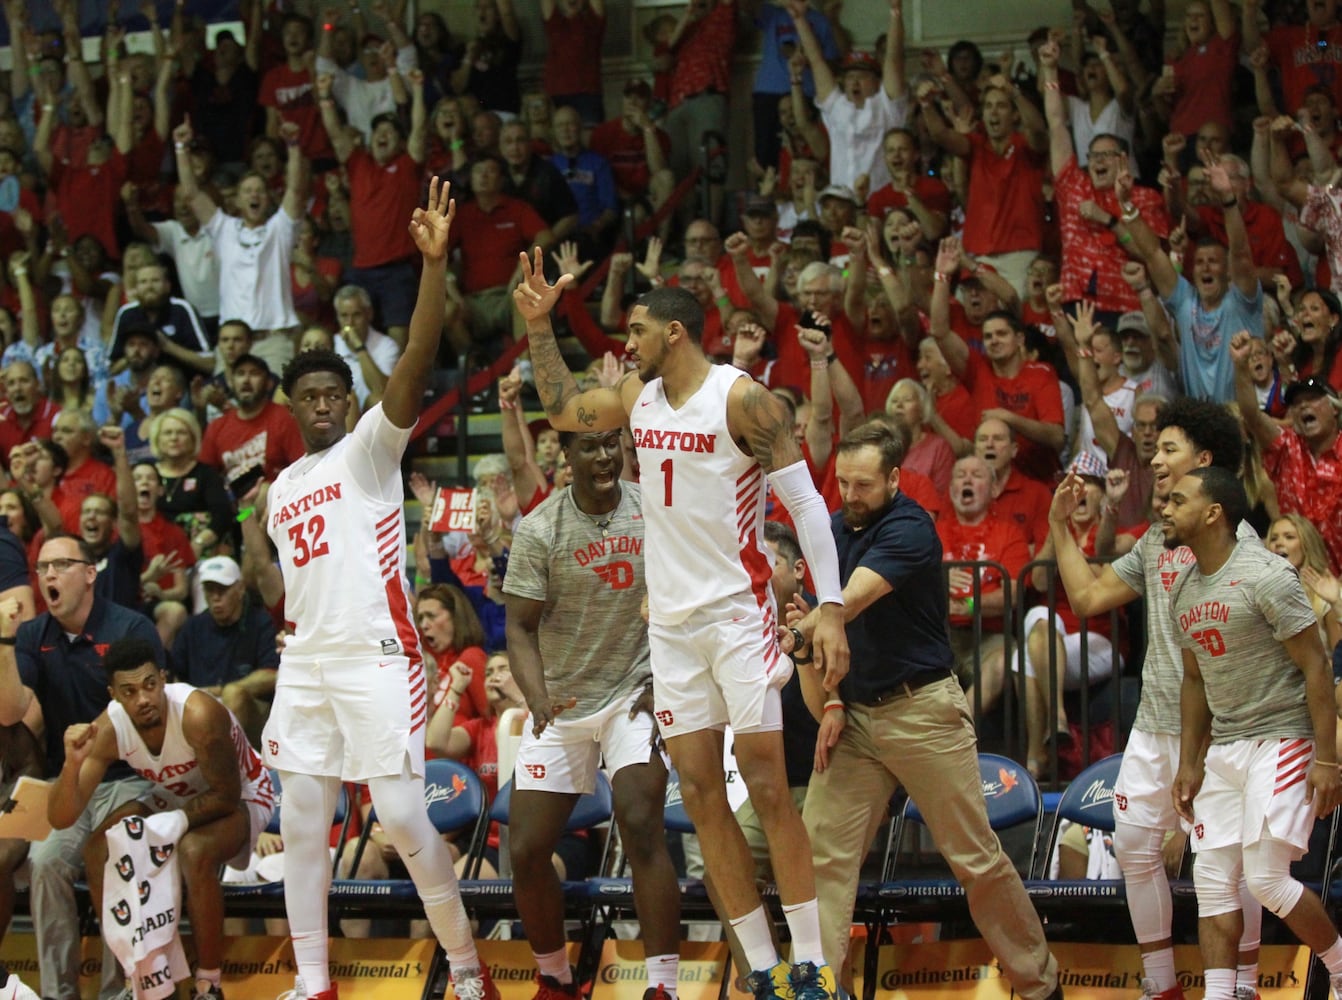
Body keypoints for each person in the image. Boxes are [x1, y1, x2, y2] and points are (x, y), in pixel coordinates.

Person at [514, 253, 850, 1000]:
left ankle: (812, 959)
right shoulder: (637, 395)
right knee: (699, 795)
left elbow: (806, 506)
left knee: (766, 785)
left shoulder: (744, 401)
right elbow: (566, 408)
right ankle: (763, 967)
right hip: (667, 628)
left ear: (674, 331)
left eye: (635, 331)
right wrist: (539, 326)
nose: (624, 343)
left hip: (736, 614)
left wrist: (828, 605)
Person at [259, 179, 495, 1000]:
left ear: (350, 402)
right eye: (309, 398)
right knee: (298, 821)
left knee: (398, 814)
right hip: (310, 661)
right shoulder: (283, 486)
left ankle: (467, 967)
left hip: (378, 656)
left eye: (334, 394)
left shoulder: (368, 451)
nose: (323, 405)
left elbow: (420, 362)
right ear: (293, 409)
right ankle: (313, 981)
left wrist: (433, 268)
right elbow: (283, 581)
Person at [787, 421, 1063, 1000]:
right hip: (858, 718)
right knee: (820, 862)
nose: (850, 497)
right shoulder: (832, 527)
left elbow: (848, 602)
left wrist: (802, 630)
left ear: (893, 479)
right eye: (841, 483)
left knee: (975, 862)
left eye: (863, 485)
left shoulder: (912, 526)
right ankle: (818, 990)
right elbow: (820, 624)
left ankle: (1040, 987)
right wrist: (832, 697)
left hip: (922, 713)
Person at [1047, 397, 1264, 1000]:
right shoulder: (1156, 543)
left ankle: (1242, 986)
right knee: (1135, 847)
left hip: (1224, 727)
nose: (1156, 457)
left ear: (1205, 459)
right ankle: (1160, 986)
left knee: (1230, 862)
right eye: (1157, 447)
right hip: (1154, 723)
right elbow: (1088, 597)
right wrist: (1057, 527)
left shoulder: (1243, 546)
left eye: (1170, 449)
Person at [503, 427, 681, 1000]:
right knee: (526, 849)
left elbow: (689, 596)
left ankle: (664, 987)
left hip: (636, 693)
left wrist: (670, 680)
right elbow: (519, 627)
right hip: (564, 700)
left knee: (640, 822)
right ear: (566, 455)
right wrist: (535, 698)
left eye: (612, 443)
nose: (605, 455)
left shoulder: (655, 511)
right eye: (590, 446)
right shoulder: (539, 528)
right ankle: (555, 977)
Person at [1163, 467, 1342, 1000]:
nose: (1165, 509)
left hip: (1283, 737)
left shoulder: (1267, 574)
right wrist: (1189, 761)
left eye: (1177, 500)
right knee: (1212, 884)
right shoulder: (1183, 589)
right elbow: (1194, 681)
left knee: (1265, 879)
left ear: (1214, 512)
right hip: (1226, 748)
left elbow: (1317, 666)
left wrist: (1328, 760)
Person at [48, 637, 275, 1000]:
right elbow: (60, 818)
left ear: (163, 679)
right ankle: (140, 977)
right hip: (176, 794)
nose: (143, 698)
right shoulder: (110, 727)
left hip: (244, 794)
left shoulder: (198, 714)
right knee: (98, 850)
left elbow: (226, 796)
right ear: (114, 695)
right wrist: (70, 764)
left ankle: (208, 983)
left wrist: (181, 820)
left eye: (150, 685)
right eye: (130, 691)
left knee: (194, 850)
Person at [0, 533, 163, 1000]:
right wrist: (6, 642)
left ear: (90, 574)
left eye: (61, 566)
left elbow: (151, 712)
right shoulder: (34, 635)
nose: (48, 576)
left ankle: (118, 992)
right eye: (42, 569)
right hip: (64, 780)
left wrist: (93, 736)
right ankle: (57, 993)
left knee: (112, 858)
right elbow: (10, 712)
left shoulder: (130, 628)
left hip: (128, 778)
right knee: (45, 862)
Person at [171, 555, 280, 750]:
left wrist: (222, 692)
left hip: (253, 714)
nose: (215, 597)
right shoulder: (193, 627)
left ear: (240, 589)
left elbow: (272, 675)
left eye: (222, 590)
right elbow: (174, 675)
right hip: (201, 711)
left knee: (234, 694)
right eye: (209, 590)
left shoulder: (260, 622)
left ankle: (222, 765)